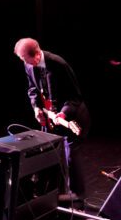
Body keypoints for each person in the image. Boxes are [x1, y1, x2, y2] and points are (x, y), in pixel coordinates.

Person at [14, 38, 91, 201]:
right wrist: (36, 107)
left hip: (73, 116)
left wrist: (63, 113)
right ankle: (50, 191)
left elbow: (75, 96)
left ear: (35, 56)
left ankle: (78, 194)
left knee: (71, 154)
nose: (24, 63)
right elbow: (32, 89)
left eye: (24, 59)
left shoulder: (58, 64)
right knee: (48, 152)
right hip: (50, 117)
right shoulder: (28, 64)